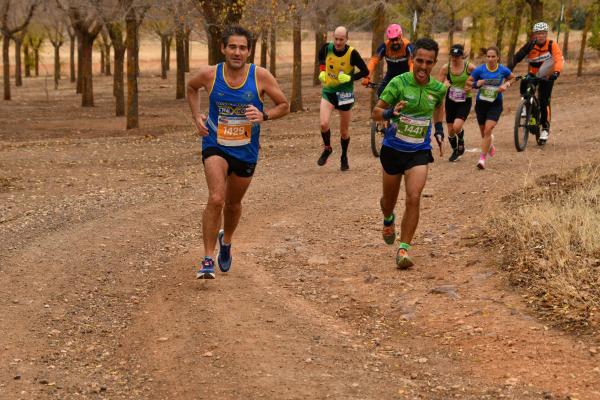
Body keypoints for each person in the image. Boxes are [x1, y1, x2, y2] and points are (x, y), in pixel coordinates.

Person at [186, 25, 289, 279]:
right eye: (232, 46)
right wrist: (196, 117)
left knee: (233, 204)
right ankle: (207, 258)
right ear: (222, 48)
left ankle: (227, 240)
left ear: (249, 51)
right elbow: (191, 88)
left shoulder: (261, 76)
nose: (237, 52)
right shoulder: (210, 75)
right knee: (217, 198)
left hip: (245, 150)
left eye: (242, 47)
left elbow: (285, 105)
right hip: (215, 144)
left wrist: (264, 115)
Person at [372, 38, 447, 269]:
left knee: (414, 197)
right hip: (393, 150)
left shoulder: (437, 89)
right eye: (420, 61)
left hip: (419, 151)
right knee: (388, 202)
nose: (423, 67)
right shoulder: (398, 83)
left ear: (434, 63)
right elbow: (376, 112)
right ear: (412, 60)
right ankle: (388, 218)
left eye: (429, 62)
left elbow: (439, 109)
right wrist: (389, 114)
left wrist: (439, 130)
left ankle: (404, 249)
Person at [317, 26, 369, 171]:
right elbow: (321, 56)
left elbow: (365, 71)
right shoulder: (327, 48)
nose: (338, 42)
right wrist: (322, 71)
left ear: (347, 39)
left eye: (341, 39)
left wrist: (350, 78)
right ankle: (327, 148)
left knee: (344, 132)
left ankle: (344, 156)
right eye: (336, 39)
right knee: (323, 123)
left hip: (345, 95)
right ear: (333, 37)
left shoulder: (352, 53)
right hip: (329, 91)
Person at [508, 22, 563, 143]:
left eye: (543, 33)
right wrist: (509, 69)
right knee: (525, 81)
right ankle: (526, 105)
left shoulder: (552, 45)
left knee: (544, 101)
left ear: (546, 34)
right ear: (535, 35)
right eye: (538, 33)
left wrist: (556, 72)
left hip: (548, 76)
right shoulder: (530, 44)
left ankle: (544, 128)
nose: (541, 36)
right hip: (534, 73)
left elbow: (558, 59)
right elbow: (517, 57)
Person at [466, 46, 515, 170]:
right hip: (481, 104)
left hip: (495, 104)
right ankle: (490, 145)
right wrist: (477, 83)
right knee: (484, 132)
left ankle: (482, 159)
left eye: (493, 56)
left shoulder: (503, 70)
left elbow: (513, 78)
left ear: (498, 57)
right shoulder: (479, 70)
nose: (491, 59)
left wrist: (506, 84)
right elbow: (468, 82)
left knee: (488, 130)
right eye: (488, 56)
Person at [436, 44, 476, 162]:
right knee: (450, 131)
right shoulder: (445, 68)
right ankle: (455, 151)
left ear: (462, 56)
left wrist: (471, 85)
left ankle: (461, 142)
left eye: (457, 56)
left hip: (464, 100)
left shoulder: (470, 67)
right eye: (453, 56)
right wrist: (444, 85)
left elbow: (480, 78)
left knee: (457, 126)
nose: (455, 58)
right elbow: (438, 87)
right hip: (450, 100)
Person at [362, 23, 413, 97]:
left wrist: (411, 76)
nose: (394, 42)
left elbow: (412, 62)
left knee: (405, 95)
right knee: (381, 92)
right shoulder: (385, 46)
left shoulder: (408, 46)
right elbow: (374, 61)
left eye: (396, 39)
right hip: (391, 75)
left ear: (400, 36)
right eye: (392, 40)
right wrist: (367, 76)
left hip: (405, 75)